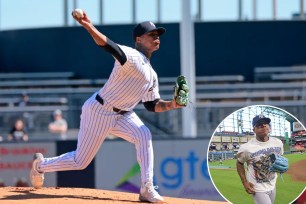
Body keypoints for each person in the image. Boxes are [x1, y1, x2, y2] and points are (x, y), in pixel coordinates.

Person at [29, 10, 185, 203]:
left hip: (124, 115)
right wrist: (88, 25)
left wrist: (172, 104)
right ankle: (41, 165)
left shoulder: (152, 75)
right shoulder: (133, 55)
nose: (156, 38)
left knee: (144, 134)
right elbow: (108, 46)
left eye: (157, 35)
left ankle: (147, 188)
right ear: (138, 39)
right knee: (80, 161)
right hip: (100, 110)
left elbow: (151, 105)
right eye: (151, 34)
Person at [236, 114, 284, 204]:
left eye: (266, 123)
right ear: (254, 129)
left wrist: (279, 165)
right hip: (257, 187)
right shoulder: (246, 147)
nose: (263, 125)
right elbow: (239, 163)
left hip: (272, 183)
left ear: (269, 127)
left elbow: (279, 158)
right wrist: (244, 182)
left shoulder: (278, 143)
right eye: (259, 124)